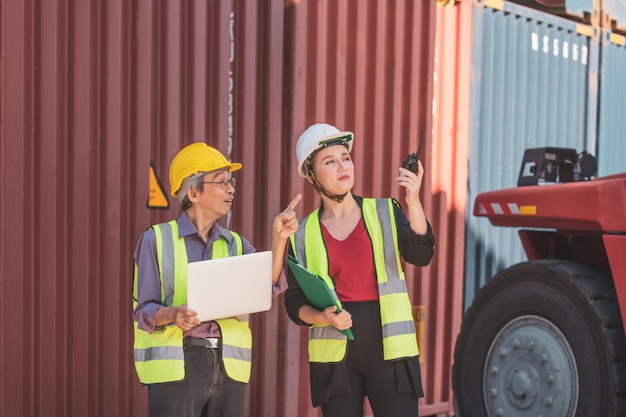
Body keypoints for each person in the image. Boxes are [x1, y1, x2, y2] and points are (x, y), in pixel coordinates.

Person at [132, 142, 301, 417]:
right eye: (222, 182)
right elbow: (143, 312)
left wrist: (279, 239)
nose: (231, 189)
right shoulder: (155, 241)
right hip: (178, 367)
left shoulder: (236, 244)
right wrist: (174, 314)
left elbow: (264, 286)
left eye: (230, 181)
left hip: (228, 368)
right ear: (193, 192)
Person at [284, 123, 436, 417]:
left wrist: (413, 201)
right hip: (336, 357)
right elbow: (293, 303)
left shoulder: (384, 211)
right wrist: (321, 316)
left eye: (346, 158)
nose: (343, 166)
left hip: (390, 351)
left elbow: (420, 254)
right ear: (312, 175)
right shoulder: (300, 233)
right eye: (330, 161)